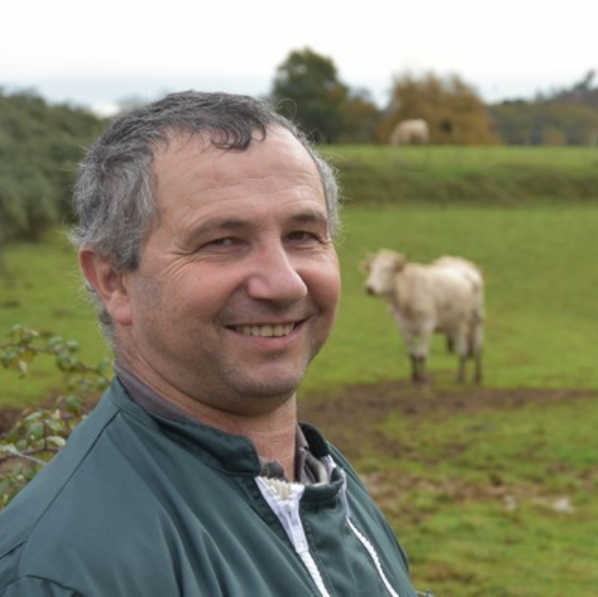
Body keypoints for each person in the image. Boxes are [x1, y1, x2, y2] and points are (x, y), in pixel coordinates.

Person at [0, 91, 421, 596]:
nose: (285, 284)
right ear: (113, 281)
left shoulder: (327, 486)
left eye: (303, 235)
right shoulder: (68, 572)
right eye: (223, 241)